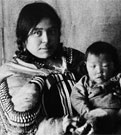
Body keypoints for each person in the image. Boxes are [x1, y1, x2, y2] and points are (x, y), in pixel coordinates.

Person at [0, 2, 86, 135]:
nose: (46, 39)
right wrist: (63, 125)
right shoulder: (12, 73)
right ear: (23, 38)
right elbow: (21, 128)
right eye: (37, 33)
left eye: (51, 31)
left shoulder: (76, 59)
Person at [71, 41, 121, 134]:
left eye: (106, 66)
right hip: (94, 115)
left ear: (114, 65)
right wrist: (87, 113)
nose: (99, 71)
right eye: (93, 66)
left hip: (118, 115)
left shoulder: (120, 78)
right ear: (85, 65)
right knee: (88, 127)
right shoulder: (84, 82)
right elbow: (76, 97)